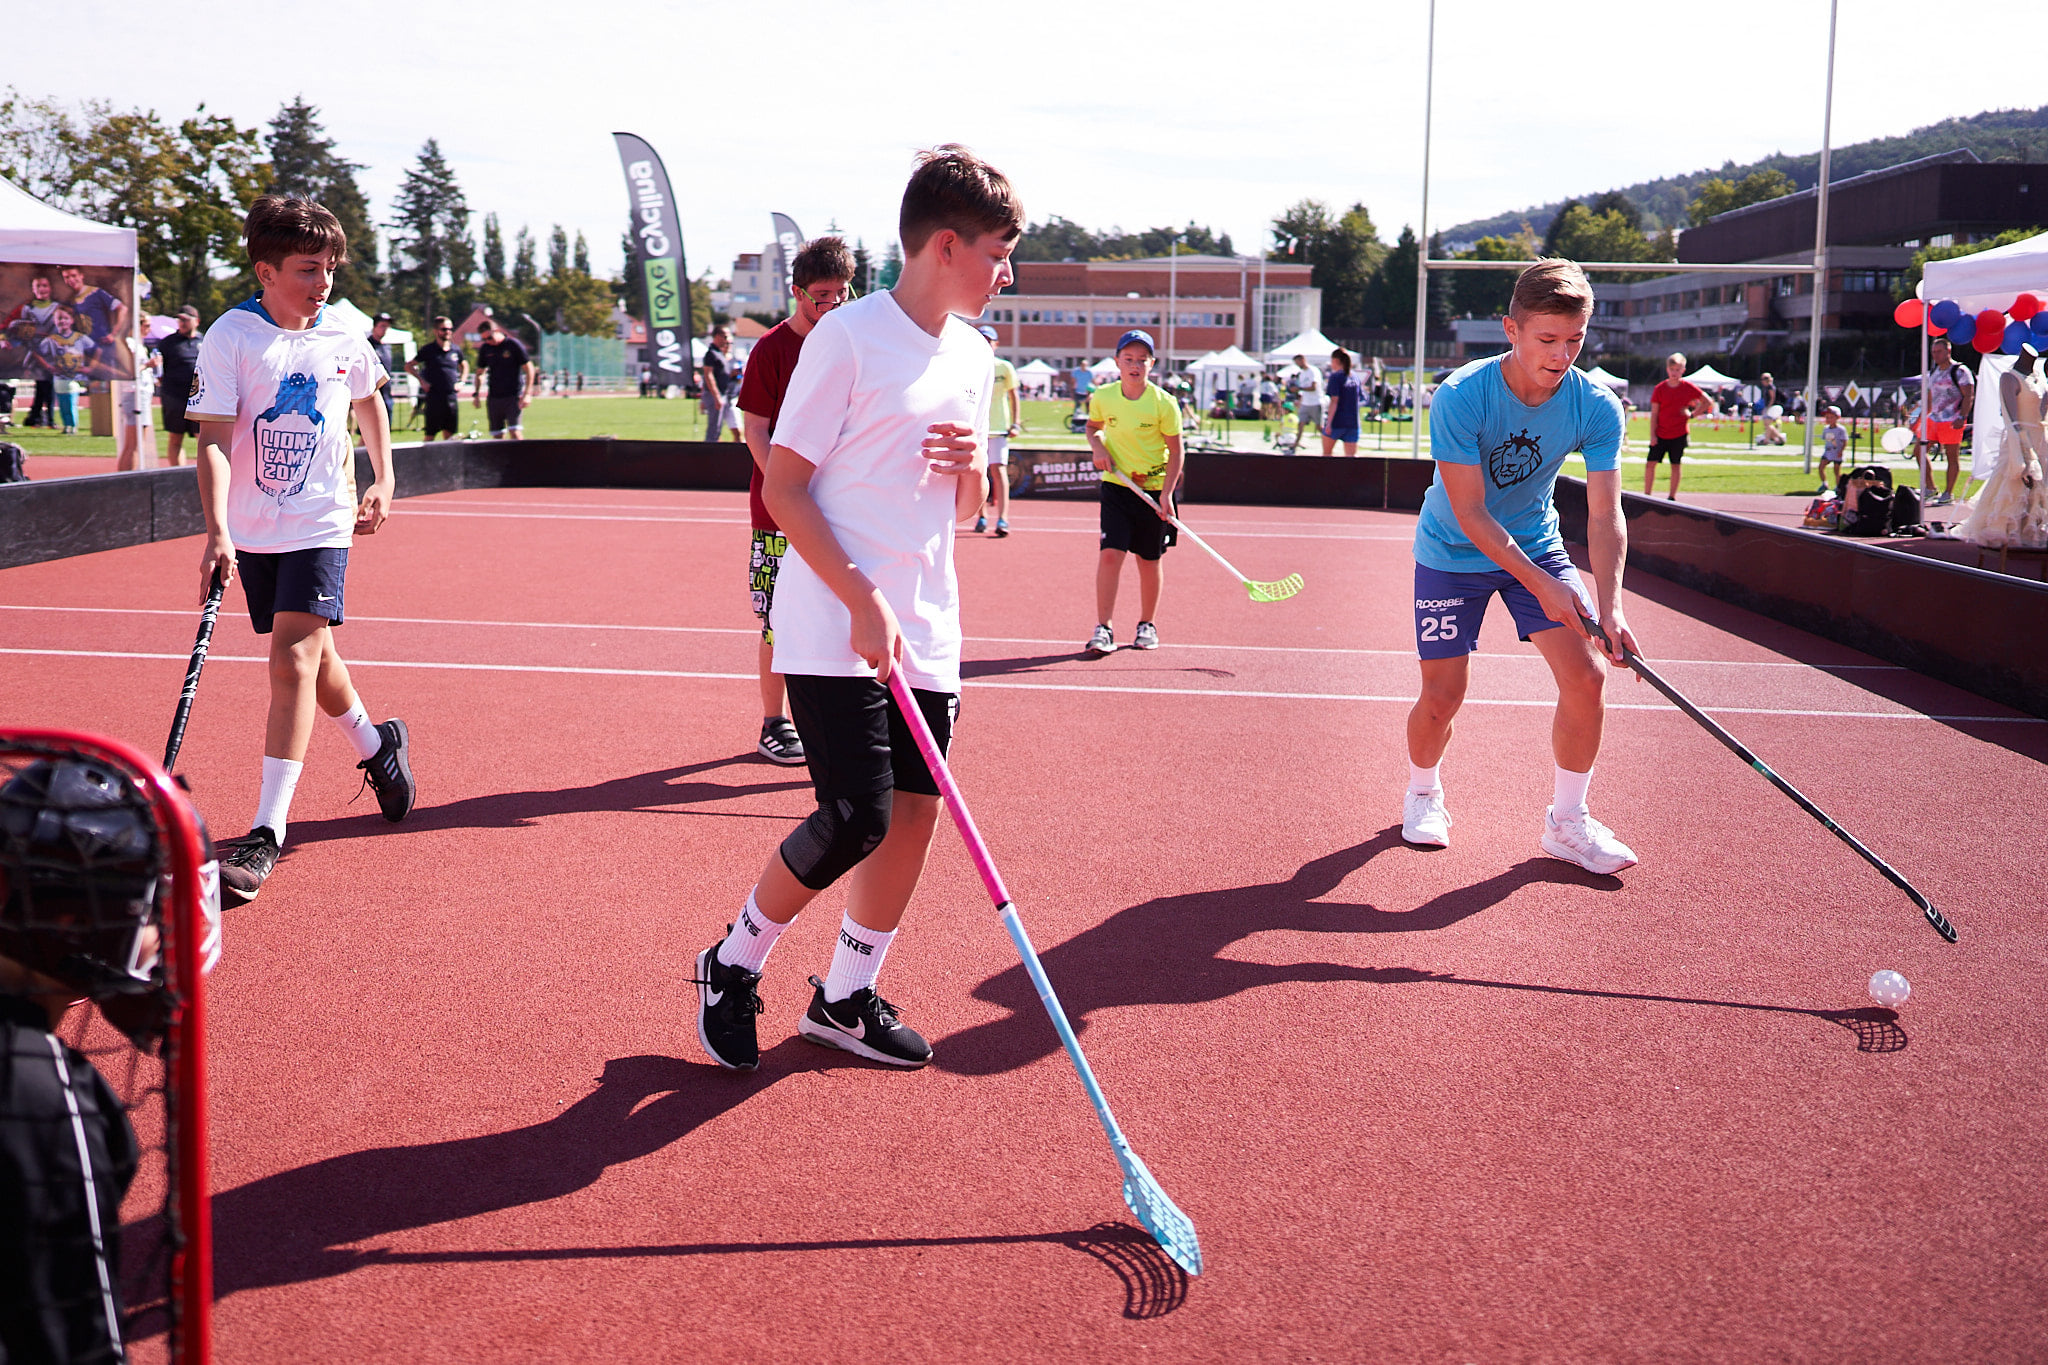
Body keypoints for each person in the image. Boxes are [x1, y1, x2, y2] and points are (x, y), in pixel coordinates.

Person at [692, 144, 1018, 1073]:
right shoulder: (845, 337)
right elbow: (787, 487)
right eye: (998, 252)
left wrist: (970, 476)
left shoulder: (975, 351)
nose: (1006, 272)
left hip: (927, 623)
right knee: (855, 817)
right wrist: (861, 598)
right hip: (832, 619)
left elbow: (959, 509)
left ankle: (843, 996)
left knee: (914, 816)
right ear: (945, 245)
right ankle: (733, 960)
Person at [187, 194, 417, 905]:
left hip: (324, 518)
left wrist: (385, 476)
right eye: (308, 270)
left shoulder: (342, 334)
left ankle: (264, 832)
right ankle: (378, 746)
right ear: (265, 269)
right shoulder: (231, 336)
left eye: (329, 270)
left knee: (291, 655)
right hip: (257, 527)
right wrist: (219, 529)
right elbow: (215, 440)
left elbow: (370, 398)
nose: (323, 284)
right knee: (316, 659)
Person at [1401, 259, 1641, 874]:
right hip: (1452, 552)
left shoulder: (1596, 406)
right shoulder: (1460, 396)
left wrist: (1609, 604)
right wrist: (1547, 589)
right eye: (1547, 340)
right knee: (1442, 695)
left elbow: (1604, 516)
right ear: (1511, 329)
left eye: (1575, 341)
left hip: (1534, 544)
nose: (1562, 356)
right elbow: (1472, 514)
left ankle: (1568, 822)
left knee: (1589, 677)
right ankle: (1423, 791)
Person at [0, 754, 219, 1365]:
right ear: (76, 921)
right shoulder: (46, 1101)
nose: (164, 932)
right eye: (152, 911)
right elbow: (73, 1349)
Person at [736, 234, 859, 768]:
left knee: (844, 613)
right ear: (797, 292)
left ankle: (844, 721)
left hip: (847, 511)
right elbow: (755, 432)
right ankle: (774, 723)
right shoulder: (771, 349)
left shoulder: (854, 341)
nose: (832, 305)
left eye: (842, 293)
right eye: (821, 295)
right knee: (777, 623)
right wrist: (789, 489)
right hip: (780, 515)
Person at [1084, 328, 1183, 654]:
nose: (1135, 365)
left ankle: (1146, 624)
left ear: (1152, 364)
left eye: (1142, 360)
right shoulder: (1104, 396)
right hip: (1117, 486)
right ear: (1117, 362)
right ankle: (1104, 628)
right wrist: (1098, 447)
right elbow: (1093, 427)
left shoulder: (1164, 403)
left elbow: (1177, 450)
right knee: (1110, 554)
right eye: (1129, 359)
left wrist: (1167, 494)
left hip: (1154, 491)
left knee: (1149, 560)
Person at [1958, 343, 2048, 548]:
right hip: (2021, 438)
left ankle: (2032, 529)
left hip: (2040, 438)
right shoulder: (2009, 377)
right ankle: (2008, 531)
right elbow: (2011, 418)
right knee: (2014, 484)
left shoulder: (2038, 377)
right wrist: (2024, 450)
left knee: (2039, 489)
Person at [973, 323, 1020, 534]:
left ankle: (1003, 519)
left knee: (998, 469)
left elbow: (1014, 395)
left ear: (996, 344)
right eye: (981, 339)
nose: (985, 343)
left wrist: (1015, 423)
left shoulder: (1004, 367)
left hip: (999, 427)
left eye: (988, 340)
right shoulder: (968, 364)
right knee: (978, 471)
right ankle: (981, 516)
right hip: (976, 428)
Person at [1916, 337, 1974, 506]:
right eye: (1933, 352)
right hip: (1933, 418)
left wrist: (1962, 416)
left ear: (1948, 351)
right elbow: (1929, 397)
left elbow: (1968, 395)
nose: (1936, 355)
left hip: (1951, 419)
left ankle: (1948, 492)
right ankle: (1930, 487)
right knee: (1919, 451)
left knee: (1951, 456)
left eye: (1939, 351)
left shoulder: (1960, 371)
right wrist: (1921, 418)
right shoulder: (1933, 373)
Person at [1645, 351, 1710, 500]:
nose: (1674, 373)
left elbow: (1707, 401)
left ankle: (1672, 497)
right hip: (1661, 433)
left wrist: (1693, 414)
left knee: (1675, 464)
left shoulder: (1688, 387)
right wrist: (1653, 435)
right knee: (1650, 463)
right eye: (1672, 370)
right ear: (1667, 370)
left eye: (1678, 370)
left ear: (1683, 370)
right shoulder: (1660, 389)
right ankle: (1647, 496)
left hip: (1679, 433)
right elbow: (1654, 413)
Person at [36, 304, 94, 435]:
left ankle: (72, 426)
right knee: (62, 404)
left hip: (74, 378)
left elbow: (95, 350)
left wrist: (89, 367)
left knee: (71, 402)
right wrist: (48, 366)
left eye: (65, 318)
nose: (62, 321)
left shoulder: (80, 338)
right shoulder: (52, 340)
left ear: (71, 320)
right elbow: (37, 352)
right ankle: (66, 425)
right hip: (59, 377)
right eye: (59, 318)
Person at [472, 321, 535, 440]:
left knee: (515, 433)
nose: (488, 341)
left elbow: (529, 369)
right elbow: (480, 372)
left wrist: (527, 394)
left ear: (497, 331)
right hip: (494, 397)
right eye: (484, 339)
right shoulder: (486, 348)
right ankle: (500, 459)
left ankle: (520, 458)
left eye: (489, 337)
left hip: (512, 396)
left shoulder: (513, 345)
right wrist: (476, 394)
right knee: (497, 436)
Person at [405, 317, 465, 442]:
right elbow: (409, 366)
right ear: (436, 331)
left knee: (451, 436)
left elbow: (465, 365)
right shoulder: (429, 350)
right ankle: (426, 461)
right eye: (444, 329)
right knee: (430, 435)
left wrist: (462, 381)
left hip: (451, 398)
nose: (448, 332)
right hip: (434, 398)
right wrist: (422, 382)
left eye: (450, 329)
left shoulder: (456, 350)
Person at [157, 305, 204, 465]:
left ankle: (204, 475)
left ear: (196, 321)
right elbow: (159, 370)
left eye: (186, 320)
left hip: (199, 398)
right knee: (175, 437)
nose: (182, 323)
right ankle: (176, 474)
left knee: (203, 438)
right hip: (175, 397)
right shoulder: (168, 343)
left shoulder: (204, 341)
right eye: (180, 320)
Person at [57, 267, 125, 350]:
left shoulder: (96, 292)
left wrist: (113, 334)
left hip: (103, 345)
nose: (71, 279)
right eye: (67, 277)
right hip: (84, 348)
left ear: (81, 276)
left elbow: (122, 308)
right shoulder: (69, 300)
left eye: (74, 276)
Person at [701, 326, 743, 442]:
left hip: (724, 394)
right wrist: (716, 396)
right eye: (725, 337)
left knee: (717, 428)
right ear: (717, 336)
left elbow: (722, 374)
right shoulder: (711, 354)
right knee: (714, 428)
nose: (727, 340)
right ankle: (709, 453)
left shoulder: (719, 353)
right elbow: (708, 375)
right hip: (715, 394)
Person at [1322, 347, 1364, 456]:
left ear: (1335, 360)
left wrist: (1329, 423)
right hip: (1353, 422)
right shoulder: (1355, 377)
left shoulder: (1335, 377)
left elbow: (1334, 401)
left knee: (1326, 455)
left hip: (1337, 421)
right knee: (1351, 459)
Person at [367, 312, 396, 429]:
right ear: (375, 327)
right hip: (372, 392)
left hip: (387, 394)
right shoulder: (367, 345)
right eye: (382, 326)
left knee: (385, 429)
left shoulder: (387, 346)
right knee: (371, 430)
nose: (385, 329)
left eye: (387, 326)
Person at [1293, 353, 1323, 445]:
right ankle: (1296, 444)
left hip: (1315, 402)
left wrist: (1299, 389)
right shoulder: (1302, 374)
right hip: (1305, 403)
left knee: (1319, 427)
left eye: (1297, 362)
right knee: (1300, 424)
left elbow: (1313, 387)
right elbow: (1303, 390)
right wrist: (1300, 401)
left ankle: (1329, 439)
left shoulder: (1313, 371)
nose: (1297, 365)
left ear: (1302, 360)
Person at [1817, 405, 1847, 491]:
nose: (1829, 419)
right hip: (1828, 451)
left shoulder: (1840, 429)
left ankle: (1838, 486)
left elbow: (1844, 441)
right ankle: (1824, 484)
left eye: (1831, 417)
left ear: (1837, 418)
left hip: (1837, 451)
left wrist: (1841, 451)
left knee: (1836, 470)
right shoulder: (1826, 429)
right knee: (1821, 467)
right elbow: (1825, 438)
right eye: (1827, 417)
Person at [1755, 372, 1785, 445]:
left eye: (1763, 379)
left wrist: (1768, 407)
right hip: (1768, 407)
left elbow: (1772, 398)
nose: (1762, 381)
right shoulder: (1767, 387)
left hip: (1770, 407)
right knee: (1767, 425)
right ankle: (1776, 438)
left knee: (1768, 424)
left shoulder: (1770, 387)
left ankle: (1769, 439)